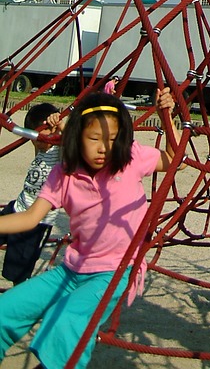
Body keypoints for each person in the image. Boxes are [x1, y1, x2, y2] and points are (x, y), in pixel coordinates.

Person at [0, 88, 179, 369]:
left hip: (114, 271)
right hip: (73, 269)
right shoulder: (65, 173)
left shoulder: (129, 159)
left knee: (66, 320)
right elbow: (30, 218)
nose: (103, 148)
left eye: (111, 140)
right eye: (94, 139)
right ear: (77, 138)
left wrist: (166, 114)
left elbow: (173, 159)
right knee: (5, 310)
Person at [1, 103, 62, 284]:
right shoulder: (40, 149)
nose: (42, 139)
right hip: (17, 207)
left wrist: (60, 124)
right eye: (36, 136)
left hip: (37, 222)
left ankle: (18, 301)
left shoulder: (61, 154)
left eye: (48, 132)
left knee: (18, 270)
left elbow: (74, 140)